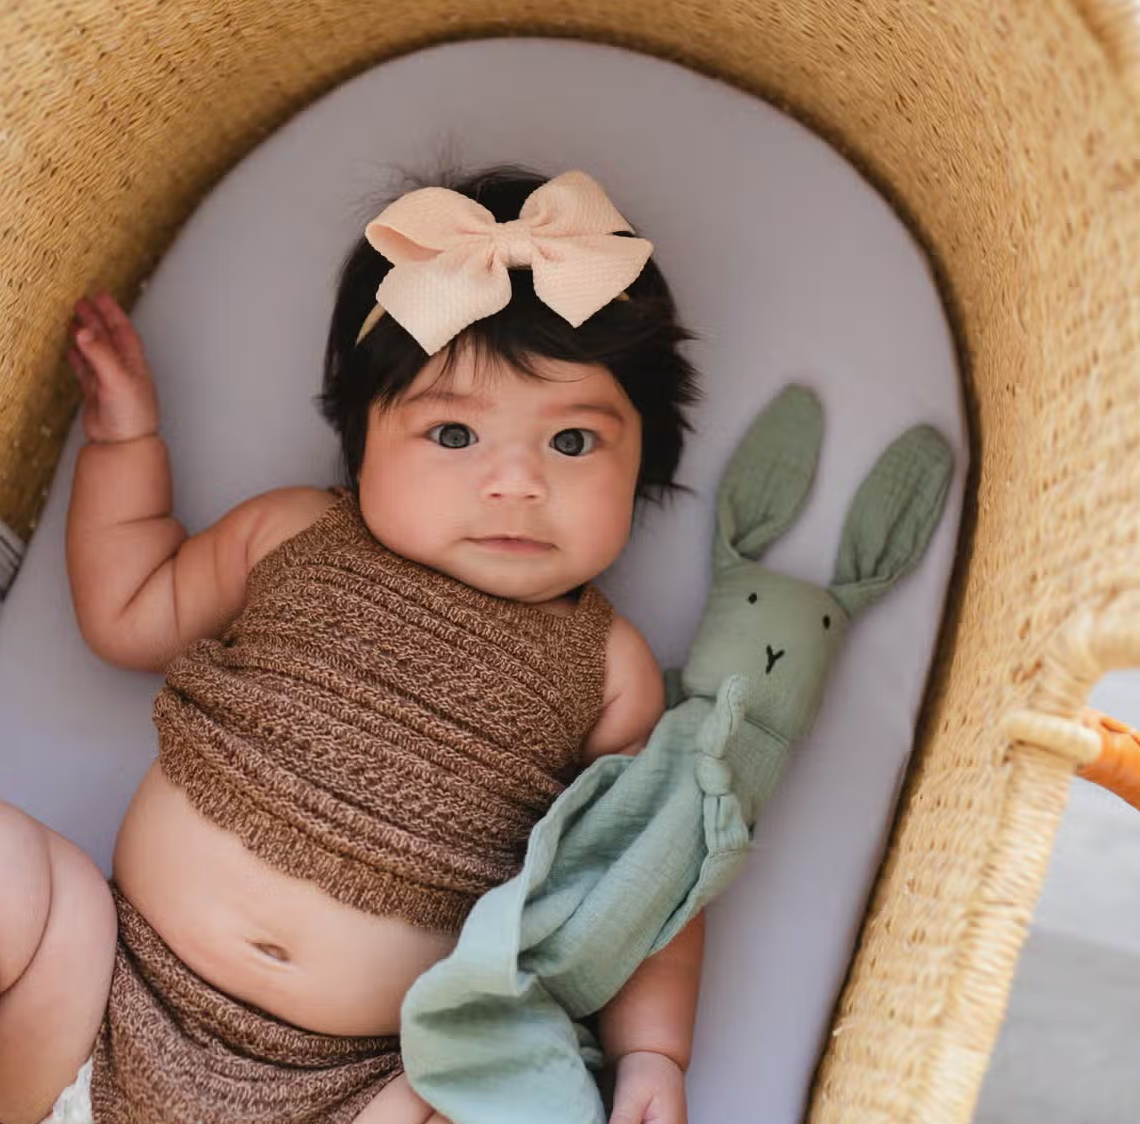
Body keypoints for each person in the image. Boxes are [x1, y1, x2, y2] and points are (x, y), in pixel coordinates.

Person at [0, 167, 704, 1124]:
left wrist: (653, 1055)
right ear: (359, 439)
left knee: (496, 1095)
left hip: (356, 1089)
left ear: (645, 465)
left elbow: (643, 879)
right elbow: (127, 607)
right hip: (95, 996)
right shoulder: (290, 533)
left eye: (572, 444)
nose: (515, 483)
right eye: (453, 432)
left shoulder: (612, 670)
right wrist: (126, 438)